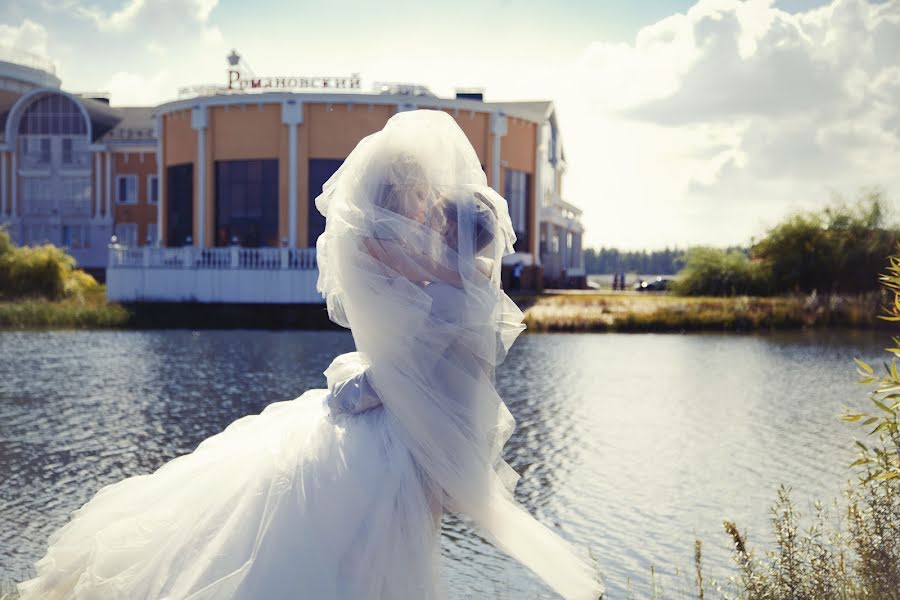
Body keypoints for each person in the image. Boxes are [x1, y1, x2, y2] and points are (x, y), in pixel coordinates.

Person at [18, 110, 601, 600]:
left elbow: (420, 359)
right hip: (416, 434)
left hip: (407, 429)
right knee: (368, 545)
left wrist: (366, 381)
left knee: (347, 535)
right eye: (420, 200)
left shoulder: (442, 289)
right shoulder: (455, 284)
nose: (425, 216)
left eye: (433, 212)